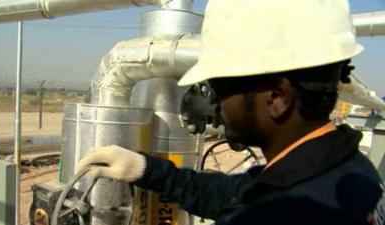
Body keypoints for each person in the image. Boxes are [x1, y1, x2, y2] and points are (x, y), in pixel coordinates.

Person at [76, 0, 385, 224]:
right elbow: (235, 193)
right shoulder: (346, 170)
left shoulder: (276, 213)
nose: (216, 102)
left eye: (221, 88)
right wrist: (146, 170)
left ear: (277, 98)